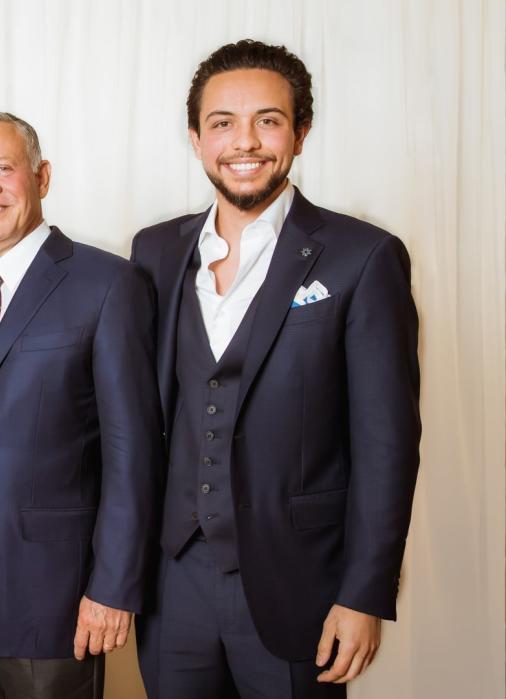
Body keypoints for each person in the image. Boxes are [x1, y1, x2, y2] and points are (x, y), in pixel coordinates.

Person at [131, 39, 422, 698]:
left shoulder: (363, 256)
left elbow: (387, 444)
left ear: (301, 131)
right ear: (196, 138)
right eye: (222, 123)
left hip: (300, 584)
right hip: (172, 585)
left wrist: (365, 592)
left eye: (268, 120)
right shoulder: (153, 250)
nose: (246, 142)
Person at [0, 108, 164, 699]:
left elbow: (134, 452)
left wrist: (113, 587)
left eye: (4, 168)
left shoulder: (107, 284)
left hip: (55, 600)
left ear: (42, 176)